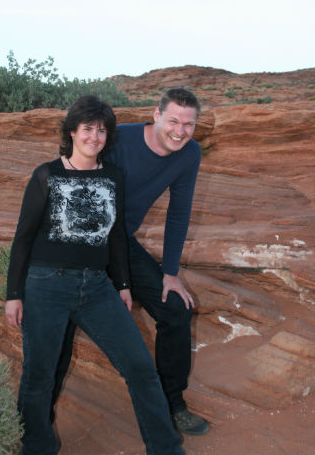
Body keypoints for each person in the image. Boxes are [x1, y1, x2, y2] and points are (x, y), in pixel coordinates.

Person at [5, 95, 185, 455]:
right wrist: (14, 294)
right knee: (39, 375)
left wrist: (123, 285)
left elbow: (116, 236)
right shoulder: (46, 175)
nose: (94, 137)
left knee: (139, 366)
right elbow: (23, 238)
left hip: (96, 287)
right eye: (87, 129)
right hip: (46, 285)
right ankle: (35, 447)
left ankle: (166, 448)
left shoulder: (112, 177)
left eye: (102, 131)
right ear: (72, 131)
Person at [52, 87, 209, 436]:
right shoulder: (117, 139)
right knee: (62, 322)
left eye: (188, 124)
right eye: (173, 121)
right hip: (82, 242)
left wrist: (170, 273)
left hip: (122, 242)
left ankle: (172, 403)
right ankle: (38, 424)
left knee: (175, 309)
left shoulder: (189, 154)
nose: (180, 131)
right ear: (156, 115)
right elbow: (71, 172)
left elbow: (179, 213)